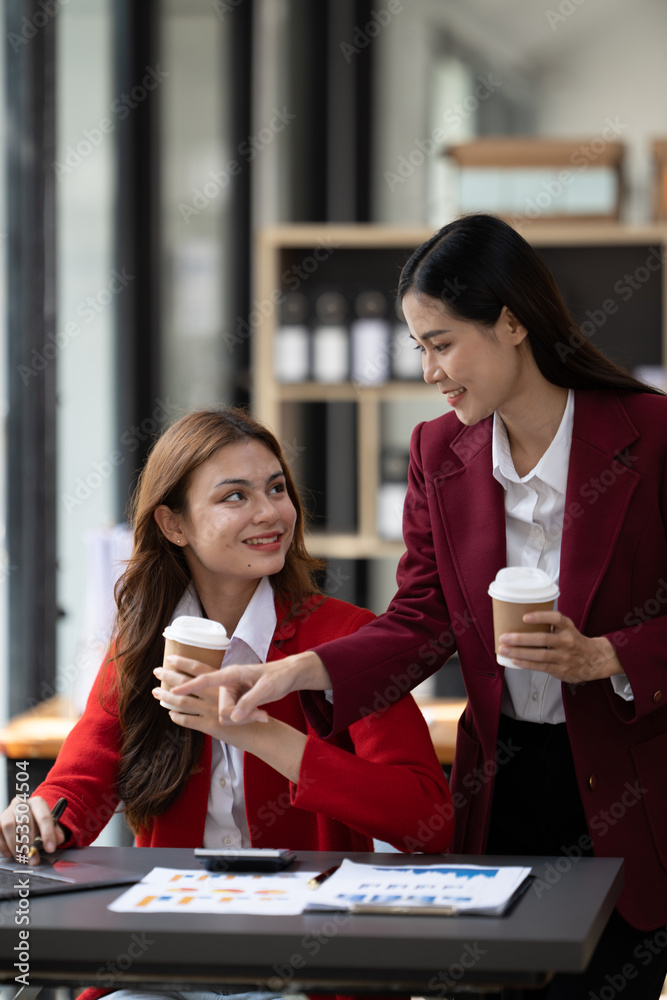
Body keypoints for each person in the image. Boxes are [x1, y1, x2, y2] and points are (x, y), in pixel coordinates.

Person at [176, 216, 667, 1000]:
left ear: (511, 323)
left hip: (631, 792)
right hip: (501, 782)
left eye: (441, 343)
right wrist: (296, 670)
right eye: (419, 349)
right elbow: (420, 619)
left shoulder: (650, 434)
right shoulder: (440, 452)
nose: (431, 371)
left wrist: (605, 656)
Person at [0, 406, 453, 1000]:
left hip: (307, 960)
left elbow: (428, 821)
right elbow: (80, 785)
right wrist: (35, 816)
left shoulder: (344, 642)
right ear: (174, 524)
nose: (270, 513)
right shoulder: (140, 642)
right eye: (234, 496)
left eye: (276, 488)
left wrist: (258, 732)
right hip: (167, 951)